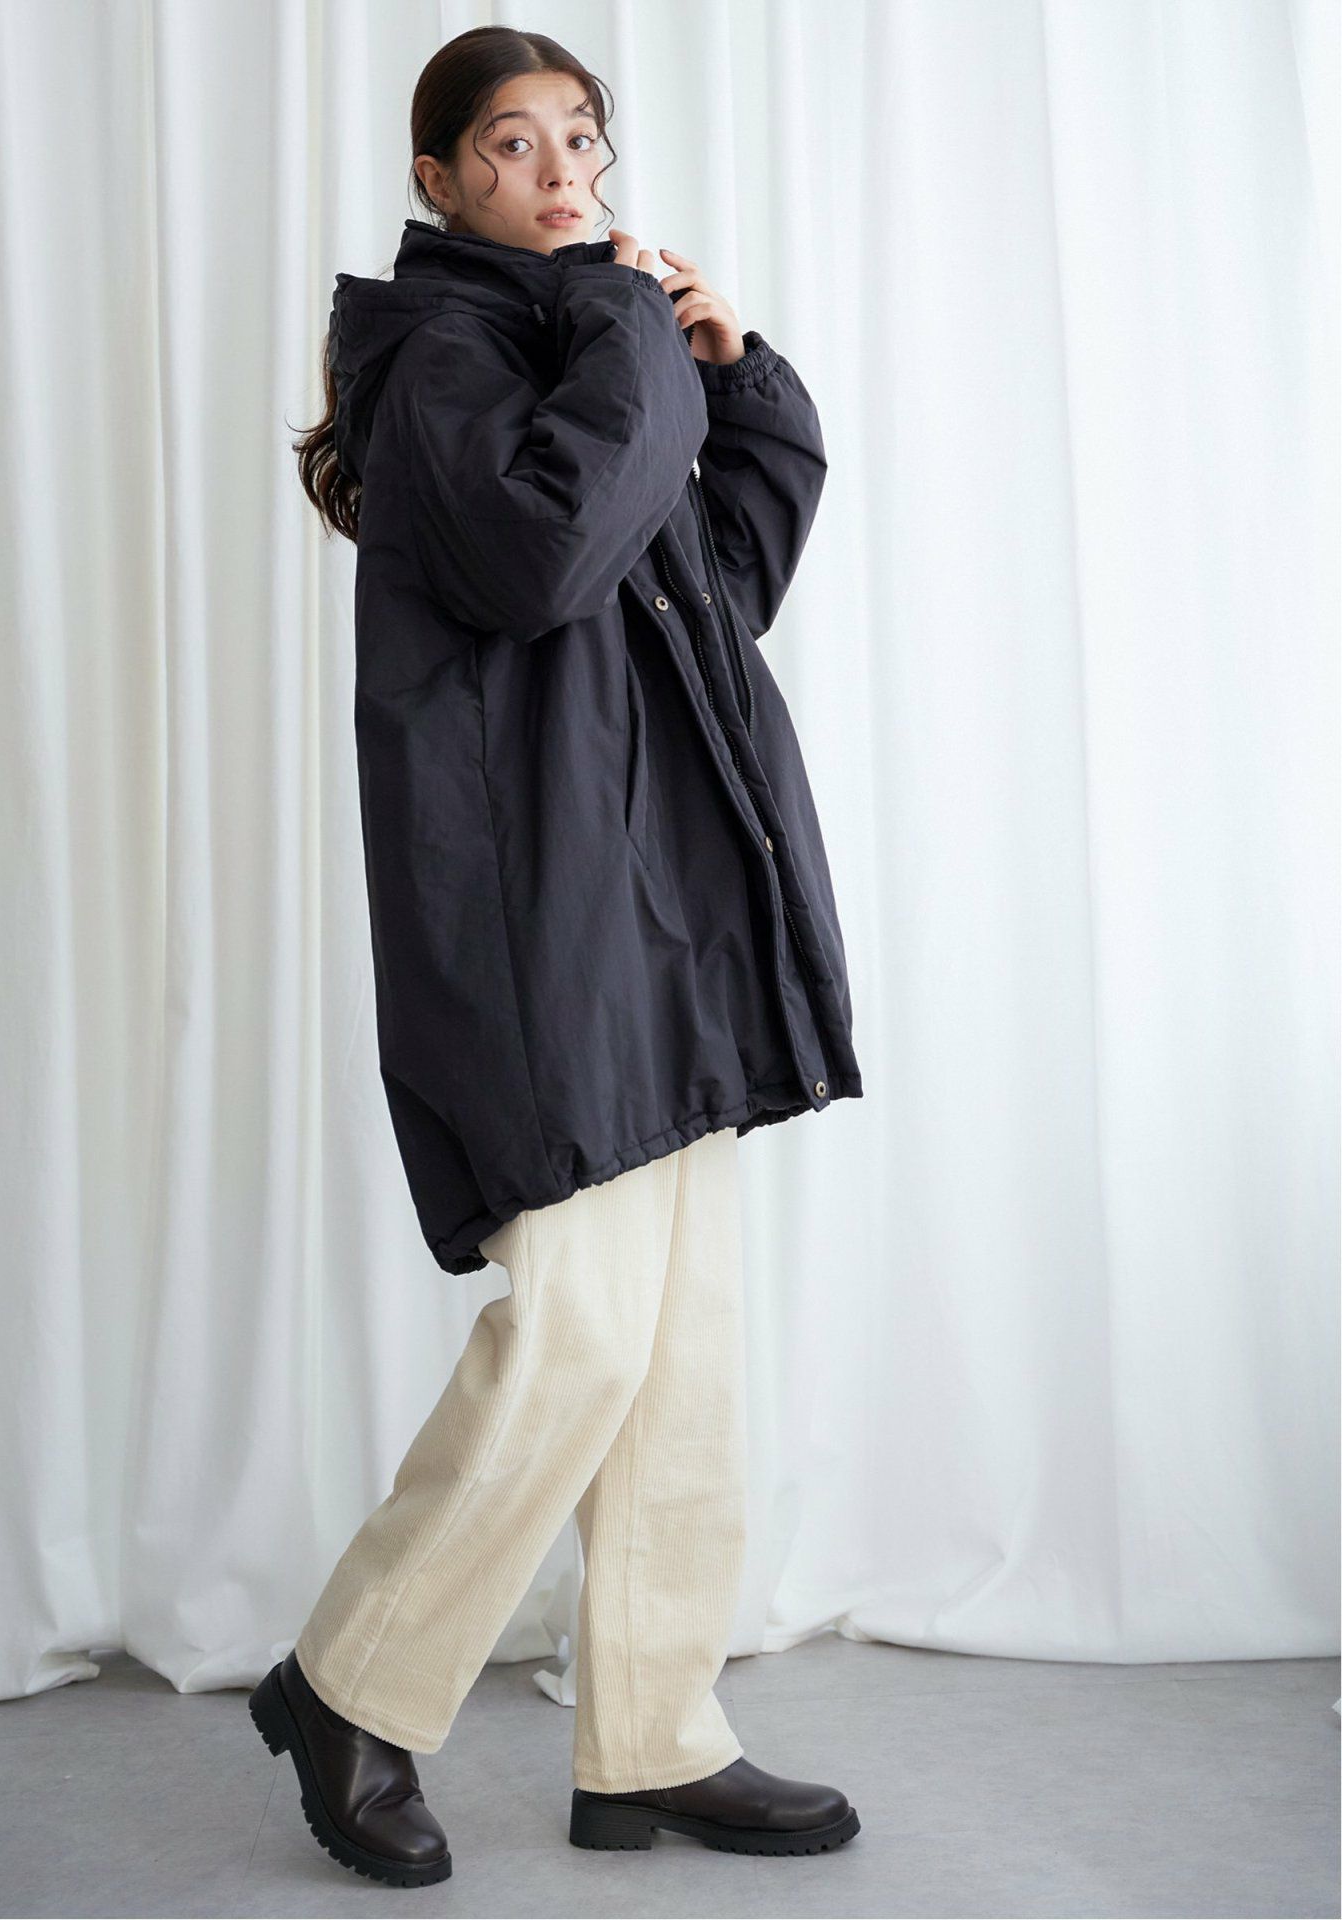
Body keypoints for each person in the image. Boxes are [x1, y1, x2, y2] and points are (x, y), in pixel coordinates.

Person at [251, 24, 864, 1889]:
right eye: (510, 145)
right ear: (437, 179)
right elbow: (545, 559)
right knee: (578, 1335)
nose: (557, 173)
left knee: (682, 1352)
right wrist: (623, 329)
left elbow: (721, 582)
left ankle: (654, 1738)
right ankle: (347, 1682)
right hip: (539, 920)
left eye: (579, 139)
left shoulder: (588, 351)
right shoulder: (444, 357)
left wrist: (736, 380)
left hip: (659, 903)